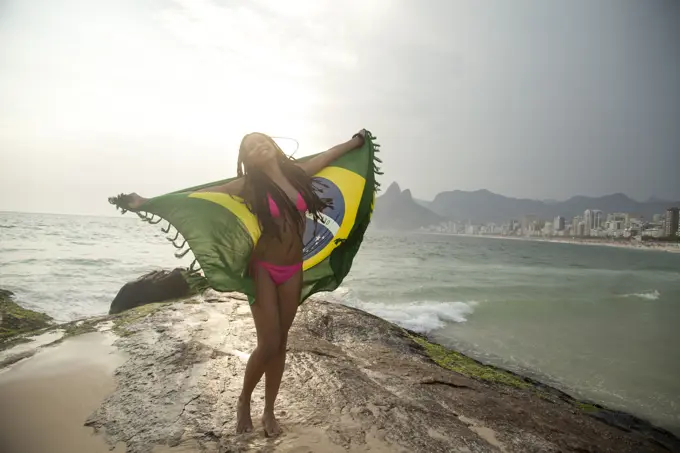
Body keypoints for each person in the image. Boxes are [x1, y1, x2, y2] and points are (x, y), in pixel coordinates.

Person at [120, 129, 367, 436]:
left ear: (273, 146)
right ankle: (243, 402)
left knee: (281, 344)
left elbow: (328, 155)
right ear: (246, 158)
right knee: (268, 343)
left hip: (293, 269)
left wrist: (355, 143)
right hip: (263, 269)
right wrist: (146, 202)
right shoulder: (250, 186)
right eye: (250, 146)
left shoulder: (298, 174)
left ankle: (269, 412)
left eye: (262, 141)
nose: (258, 146)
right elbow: (202, 196)